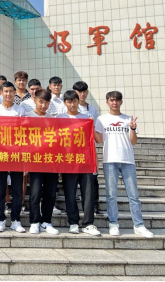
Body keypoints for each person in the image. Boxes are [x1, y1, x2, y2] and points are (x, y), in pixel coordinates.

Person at [95, 91, 154, 239]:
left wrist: (133, 128)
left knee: (133, 195)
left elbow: (133, 141)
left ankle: (138, 225)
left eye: (117, 100)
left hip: (127, 160)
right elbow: (99, 140)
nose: (114, 103)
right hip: (110, 160)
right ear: (107, 102)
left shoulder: (128, 119)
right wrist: (90, 128)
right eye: (112, 100)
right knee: (111, 195)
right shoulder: (101, 119)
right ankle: (113, 223)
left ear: (121, 102)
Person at [58, 90, 101, 237]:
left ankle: (88, 223)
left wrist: (95, 160)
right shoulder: (60, 118)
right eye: (69, 101)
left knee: (88, 193)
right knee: (70, 193)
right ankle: (73, 222)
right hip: (68, 161)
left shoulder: (86, 117)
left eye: (74, 101)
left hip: (85, 160)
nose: (72, 104)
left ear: (78, 101)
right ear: (65, 103)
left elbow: (92, 142)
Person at [0, 82, 26, 234]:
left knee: (17, 190)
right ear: (1, 93)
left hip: (16, 154)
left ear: (14, 93)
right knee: (0, 190)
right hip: (1, 154)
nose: (8, 94)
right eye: (5, 91)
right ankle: (0, 220)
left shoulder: (20, 110)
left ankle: (15, 220)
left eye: (11, 91)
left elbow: (24, 132)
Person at [26, 89, 61, 236]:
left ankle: (46, 221)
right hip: (34, 161)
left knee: (50, 193)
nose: (43, 105)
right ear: (35, 100)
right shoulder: (27, 117)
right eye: (41, 102)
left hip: (50, 161)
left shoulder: (52, 119)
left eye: (46, 103)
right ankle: (34, 221)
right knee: (35, 193)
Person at [73, 81, 102, 215]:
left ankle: (95, 206)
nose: (82, 94)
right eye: (79, 92)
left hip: (88, 150)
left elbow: (95, 132)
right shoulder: (68, 108)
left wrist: (95, 156)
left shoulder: (92, 110)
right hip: (73, 150)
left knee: (92, 180)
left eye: (84, 91)